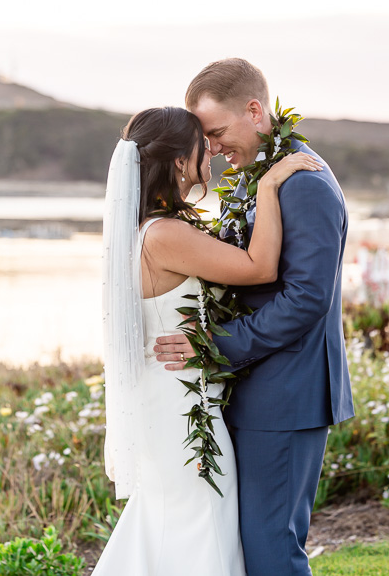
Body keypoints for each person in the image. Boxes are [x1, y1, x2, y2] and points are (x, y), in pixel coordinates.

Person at [93, 106, 321, 575]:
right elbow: (260, 268)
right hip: (183, 411)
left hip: (171, 399)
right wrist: (268, 185)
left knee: (171, 525)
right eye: (204, 143)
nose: (213, 150)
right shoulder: (165, 235)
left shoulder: (150, 231)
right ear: (180, 161)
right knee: (201, 525)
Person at [154, 58, 355, 576]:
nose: (213, 148)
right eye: (206, 138)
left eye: (217, 132)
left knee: (271, 546)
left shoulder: (303, 181)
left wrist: (213, 344)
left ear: (255, 110)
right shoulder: (260, 176)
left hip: (287, 393)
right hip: (257, 386)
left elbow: (307, 298)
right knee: (252, 543)